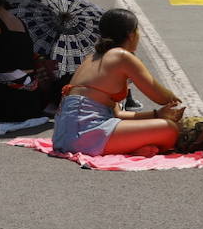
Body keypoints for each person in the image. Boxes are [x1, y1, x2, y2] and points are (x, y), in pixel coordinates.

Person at [53, 8, 184, 157]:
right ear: (131, 35)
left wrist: (156, 114)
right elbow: (162, 98)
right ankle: (129, 147)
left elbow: (117, 114)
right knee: (169, 129)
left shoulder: (91, 57)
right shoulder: (122, 56)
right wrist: (173, 98)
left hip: (63, 137)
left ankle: (129, 147)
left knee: (161, 125)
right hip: (83, 136)